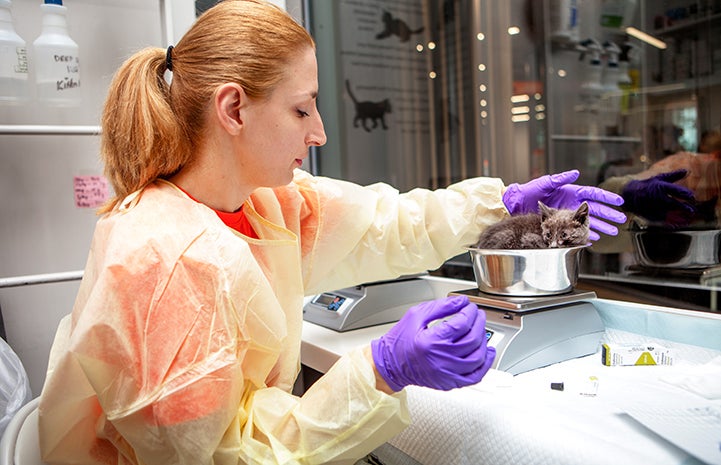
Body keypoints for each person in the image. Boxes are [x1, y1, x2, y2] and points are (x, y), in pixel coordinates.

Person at [37, 1, 626, 464]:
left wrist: (504, 204)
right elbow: (226, 456)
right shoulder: (161, 263)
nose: (318, 132)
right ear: (234, 109)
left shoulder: (265, 204)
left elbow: (387, 225)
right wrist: (381, 370)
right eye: (302, 109)